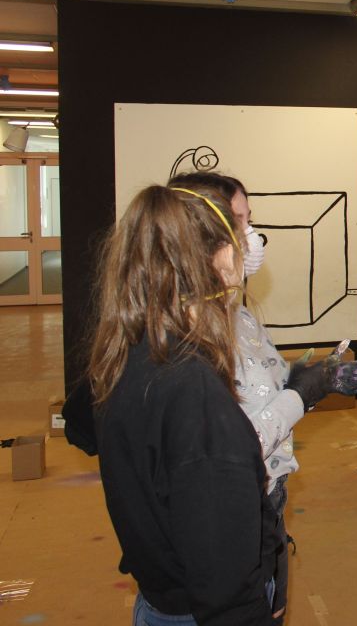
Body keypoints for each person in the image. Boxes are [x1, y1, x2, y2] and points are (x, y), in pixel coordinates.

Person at [165, 171, 357, 624]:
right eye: (238, 222)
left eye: (249, 219)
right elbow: (231, 449)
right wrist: (302, 393)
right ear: (197, 235)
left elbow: (258, 394)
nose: (252, 237)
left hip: (265, 505)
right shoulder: (187, 338)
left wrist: (307, 381)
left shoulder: (235, 316)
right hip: (228, 524)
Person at [79, 184, 279, 624]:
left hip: (161, 595)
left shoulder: (127, 351)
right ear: (219, 259)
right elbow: (224, 582)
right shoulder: (193, 391)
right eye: (238, 234)